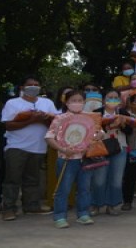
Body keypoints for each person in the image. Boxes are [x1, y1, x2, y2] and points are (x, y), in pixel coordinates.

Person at [0, 76, 57, 221]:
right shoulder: (13, 103)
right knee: (12, 179)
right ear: (22, 88)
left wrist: (43, 119)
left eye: (36, 84)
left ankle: (31, 206)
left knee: (32, 179)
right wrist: (31, 120)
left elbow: (55, 125)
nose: (33, 86)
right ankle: (8, 208)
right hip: (16, 146)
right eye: (30, 84)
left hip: (38, 148)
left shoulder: (47, 103)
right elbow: (9, 126)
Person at [44, 90, 94, 228]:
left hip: (85, 158)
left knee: (85, 188)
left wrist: (96, 138)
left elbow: (98, 134)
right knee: (63, 188)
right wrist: (62, 149)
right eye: (73, 100)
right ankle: (60, 216)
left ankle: (83, 214)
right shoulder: (60, 118)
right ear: (67, 102)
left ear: (84, 102)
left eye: (80, 100)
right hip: (66, 158)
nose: (77, 103)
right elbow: (49, 137)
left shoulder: (90, 118)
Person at [89, 90, 129, 217]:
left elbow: (130, 131)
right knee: (99, 180)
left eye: (115, 97)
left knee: (116, 180)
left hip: (120, 147)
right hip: (101, 148)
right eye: (109, 97)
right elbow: (91, 131)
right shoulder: (96, 113)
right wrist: (107, 125)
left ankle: (112, 205)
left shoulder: (123, 113)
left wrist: (122, 124)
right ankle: (96, 204)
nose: (112, 99)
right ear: (104, 99)